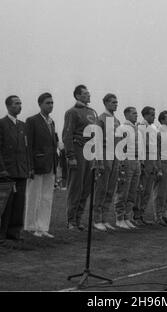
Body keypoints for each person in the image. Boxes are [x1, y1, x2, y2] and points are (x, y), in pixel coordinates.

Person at [0, 95, 31, 242]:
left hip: (20, 171)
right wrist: (1, 169)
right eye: (16, 103)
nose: (19, 106)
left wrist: (28, 168)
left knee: (18, 204)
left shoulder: (23, 125)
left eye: (20, 103)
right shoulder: (0, 123)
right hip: (6, 171)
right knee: (2, 204)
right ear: (8, 106)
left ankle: (13, 232)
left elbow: (26, 149)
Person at [62, 85, 98, 231]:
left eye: (89, 93)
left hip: (90, 151)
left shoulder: (92, 112)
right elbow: (67, 134)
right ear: (77, 96)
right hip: (78, 149)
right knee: (75, 187)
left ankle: (78, 219)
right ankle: (71, 220)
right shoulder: (72, 112)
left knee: (86, 187)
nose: (88, 95)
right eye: (85, 93)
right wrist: (70, 155)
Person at [24, 92, 58, 238]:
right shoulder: (32, 120)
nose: (50, 105)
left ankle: (43, 226)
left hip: (50, 164)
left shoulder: (51, 121)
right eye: (47, 103)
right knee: (34, 196)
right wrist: (30, 166)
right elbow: (29, 145)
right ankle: (31, 226)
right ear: (40, 104)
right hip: (37, 164)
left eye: (52, 103)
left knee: (46, 197)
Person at [93, 93, 120, 231]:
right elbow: (97, 140)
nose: (115, 104)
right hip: (104, 153)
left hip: (115, 154)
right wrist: (99, 161)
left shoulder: (116, 120)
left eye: (116, 102)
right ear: (106, 103)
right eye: (113, 102)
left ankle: (105, 218)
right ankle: (97, 219)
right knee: (102, 188)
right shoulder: (101, 119)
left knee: (110, 188)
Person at [115, 107, 142, 229]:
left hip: (136, 160)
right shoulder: (123, 128)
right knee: (124, 191)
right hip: (127, 159)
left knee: (132, 191)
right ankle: (119, 218)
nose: (136, 115)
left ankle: (127, 216)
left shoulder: (135, 128)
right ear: (126, 115)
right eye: (133, 113)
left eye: (136, 113)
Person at [135, 106, 160, 225]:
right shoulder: (141, 127)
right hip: (145, 160)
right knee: (141, 189)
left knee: (148, 190)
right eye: (151, 115)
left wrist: (155, 163)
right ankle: (136, 215)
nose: (154, 117)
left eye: (154, 114)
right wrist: (142, 162)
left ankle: (141, 215)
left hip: (152, 160)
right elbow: (141, 146)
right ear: (145, 115)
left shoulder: (153, 128)